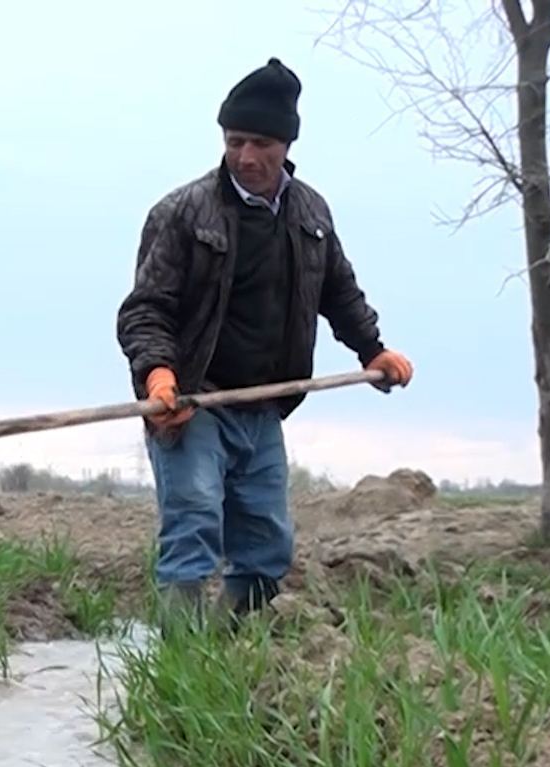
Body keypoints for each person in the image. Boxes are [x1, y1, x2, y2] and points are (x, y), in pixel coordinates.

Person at [116, 56, 414, 626]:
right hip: (195, 400)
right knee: (195, 520)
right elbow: (145, 309)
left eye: (261, 144)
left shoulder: (311, 214)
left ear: (286, 145)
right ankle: (180, 664)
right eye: (235, 141)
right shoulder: (182, 212)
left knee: (266, 543)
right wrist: (157, 375)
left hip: (266, 405)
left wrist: (372, 348)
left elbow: (338, 291)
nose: (247, 157)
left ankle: (230, 653)